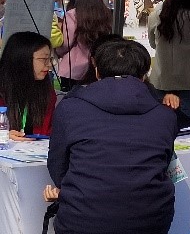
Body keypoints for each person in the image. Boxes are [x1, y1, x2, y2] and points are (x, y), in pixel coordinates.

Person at [45, 38, 178, 234]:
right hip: (151, 219)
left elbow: (58, 165)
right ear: (143, 76)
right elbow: (163, 164)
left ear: (97, 72)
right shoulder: (164, 115)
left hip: (82, 219)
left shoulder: (70, 108)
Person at [56, 0, 112, 91]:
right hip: (96, 66)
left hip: (73, 69)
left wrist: (57, 52)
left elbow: (67, 43)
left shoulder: (73, 14)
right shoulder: (105, 13)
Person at [0, 31, 56, 140]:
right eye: (44, 59)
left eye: (50, 59)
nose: (49, 65)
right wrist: (4, 136)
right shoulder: (3, 89)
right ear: (22, 59)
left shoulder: (47, 92)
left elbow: (50, 131)